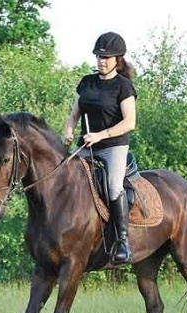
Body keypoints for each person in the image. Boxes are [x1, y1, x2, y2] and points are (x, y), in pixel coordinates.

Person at [63, 31, 137, 265]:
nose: (101, 61)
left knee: (114, 187)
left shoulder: (123, 86)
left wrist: (100, 135)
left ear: (118, 59)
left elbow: (129, 122)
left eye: (106, 57)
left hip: (112, 147)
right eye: (98, 57)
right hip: (85, 146)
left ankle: (123, 241)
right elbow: (75, 113)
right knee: (61, 175)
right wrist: (68, 130)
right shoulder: (87, 82)